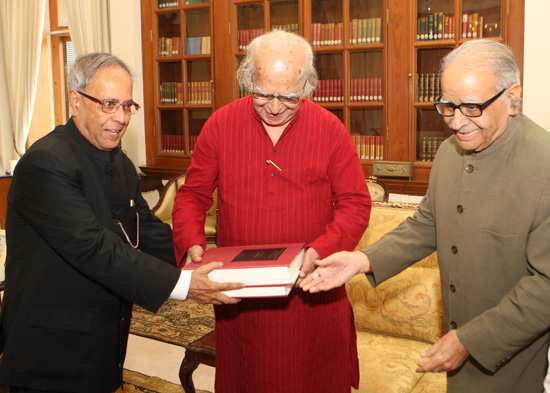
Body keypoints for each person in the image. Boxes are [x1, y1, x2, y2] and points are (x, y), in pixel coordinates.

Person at [301, 38, 550, 393]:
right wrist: (362, 260)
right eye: (448, 106)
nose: (456, 122)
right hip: (454, 339)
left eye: (472, 107)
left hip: (508, 353)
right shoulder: (450, 153)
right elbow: (429, 223)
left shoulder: (545, 165)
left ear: (513, 97)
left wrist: (469, 341)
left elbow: (546, 285)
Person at [0, 53, 243, 393]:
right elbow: (93, 247)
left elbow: (141, 227)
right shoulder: (45, 163)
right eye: (109, 104)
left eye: (128, 106)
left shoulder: (118, 161)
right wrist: (183, 284)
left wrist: (195, 257)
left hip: (103, 334)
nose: (120, 118)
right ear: (75, 100)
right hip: (51, 346)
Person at [172, 30, 371, 393]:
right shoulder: (220, 125)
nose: (276, 106)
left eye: (289, 97)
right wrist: (191, 244)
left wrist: (320, 251)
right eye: (263, 94)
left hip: (312, 291)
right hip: (245, 296)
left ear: (308, 86)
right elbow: (192, 195)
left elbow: (355, 203)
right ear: (248, 79)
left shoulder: (330, 130)